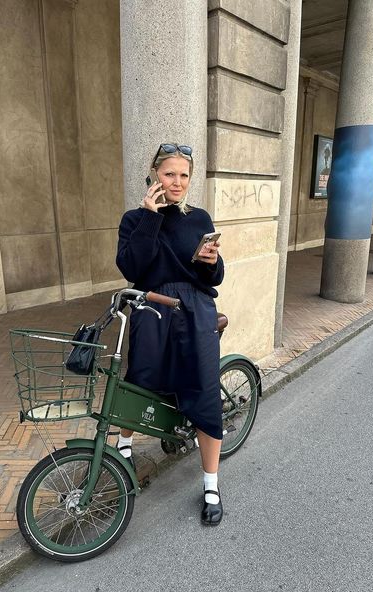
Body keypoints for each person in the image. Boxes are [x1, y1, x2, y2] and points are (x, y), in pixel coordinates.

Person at [115, 143, 225, 525]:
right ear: (154, 175)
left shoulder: (199, 218)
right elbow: (132, 265)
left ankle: (211, 484)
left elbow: (214, 275)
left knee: (203, 391)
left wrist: (213, 263)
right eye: (169, 174)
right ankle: (124, 447)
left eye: (184, 175)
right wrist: (150, 217)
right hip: (153, 309)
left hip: (195, 311)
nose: (177, 182)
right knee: (139, 382)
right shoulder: (134, 219)